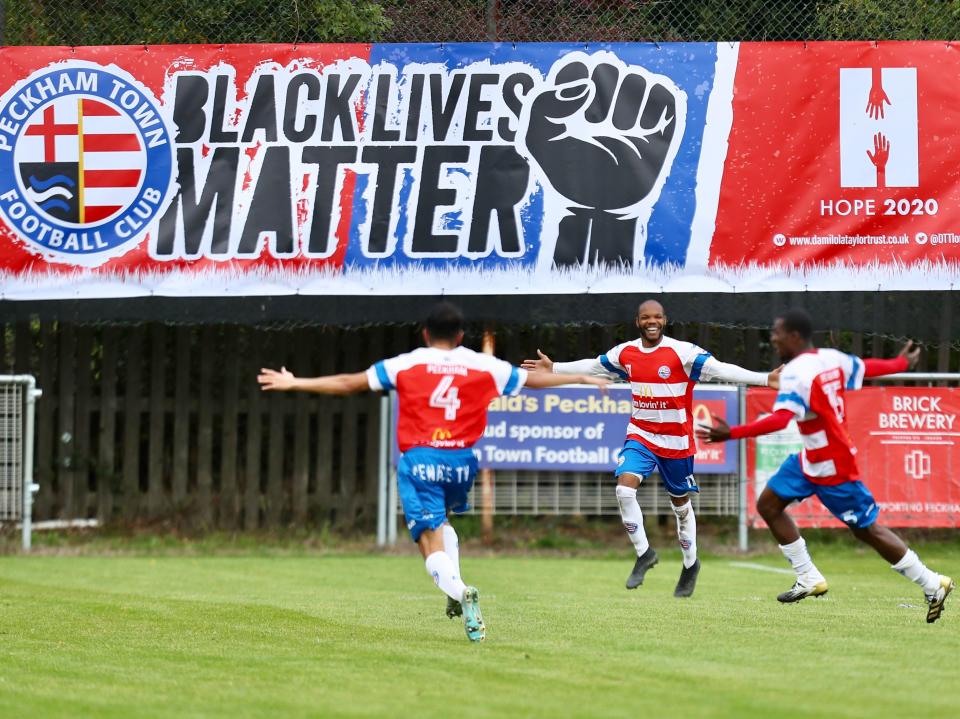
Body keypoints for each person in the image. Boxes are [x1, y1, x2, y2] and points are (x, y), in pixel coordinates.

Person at [258, 302, 610, 642]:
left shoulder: (408, 363)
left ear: (425, 333)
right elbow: (532, 381)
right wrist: (580, 377)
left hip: (421, 460)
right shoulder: (483, 365)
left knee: (429, 542)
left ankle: (460, 590)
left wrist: (296, 382)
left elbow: (351, 383)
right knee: (441, 523)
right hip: (461, 462)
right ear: (460, 335)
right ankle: (454, 587)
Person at [697, 308, 954, 623]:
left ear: (794, 336)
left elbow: (780, 419)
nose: (773, 339)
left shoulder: (795, 373)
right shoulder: (829, 357)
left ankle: (932, 583)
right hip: (810, 458)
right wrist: (899, 363)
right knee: (768, 504)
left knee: (867, 530)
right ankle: (808, 577)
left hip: (833, 467)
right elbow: (866, 366)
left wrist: (731, 433)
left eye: (777, 333)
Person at [523, 299, 778, 598]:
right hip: (641, 435)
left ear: (665, 320)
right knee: (624, 489)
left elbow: (722, 369)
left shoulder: (683, 353)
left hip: (677, 443)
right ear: (638, 322)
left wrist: (765, 378)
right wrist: (554, 366)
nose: (651, 321)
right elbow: (594, 365)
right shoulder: (626, 353)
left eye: (657, 317)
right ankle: (644, 554)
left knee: (681, 508)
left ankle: (690, 564)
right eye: (646, 317)